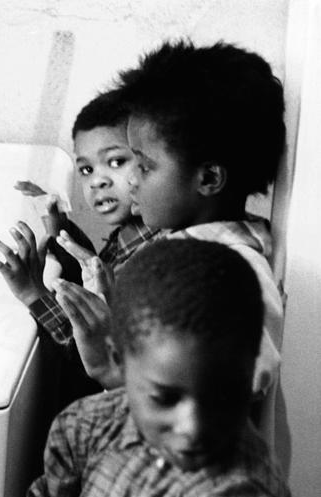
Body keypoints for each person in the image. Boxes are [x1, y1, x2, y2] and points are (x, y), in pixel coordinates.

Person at [53, 40, 286, 459]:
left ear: (209, 177)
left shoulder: (233, 269)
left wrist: (116, 367)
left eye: (144, 165)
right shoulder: (185, 246)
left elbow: (232, 387)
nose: (132, 181)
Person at [12, 239, 293, 497]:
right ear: (117, 359)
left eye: (222, 394)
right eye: (165, 398)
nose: (193, 426)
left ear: (251, 368)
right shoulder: (82, 427)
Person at [0, 88, 161, 348]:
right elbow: (90, 276)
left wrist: (32, 293)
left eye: (115, 162)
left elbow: (96, 355)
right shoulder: (133, 231)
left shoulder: (150, 264)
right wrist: (60, 230)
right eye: (87, 169)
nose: (97, 181)